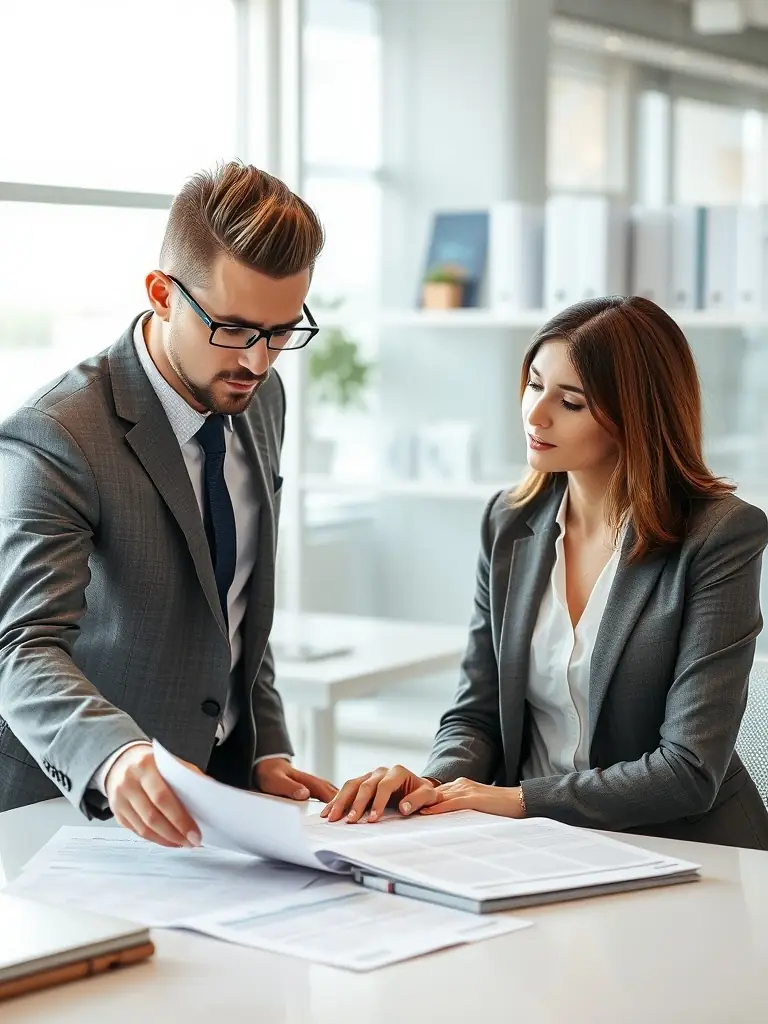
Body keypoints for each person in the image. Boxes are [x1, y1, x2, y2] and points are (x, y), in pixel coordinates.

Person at [322, 295, 768, 849]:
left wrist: (517, 800)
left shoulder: (720, 535)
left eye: (571, 401)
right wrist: (432, 786)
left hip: (681, 846)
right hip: (534, 846)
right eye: (534, 384)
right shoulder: (509, 522)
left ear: (636, 414)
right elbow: (476, 712)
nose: (535, 414)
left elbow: (689, 770)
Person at [0, 161, 338, 847]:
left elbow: (236, 606)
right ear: (161, 293)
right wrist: (116, 758)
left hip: (222, 794)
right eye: (235, 328)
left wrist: (266, 745)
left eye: (280, 332)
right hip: (70, 813)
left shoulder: (260, 399)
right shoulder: (60, 432)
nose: (258, 361)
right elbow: (22, 645)